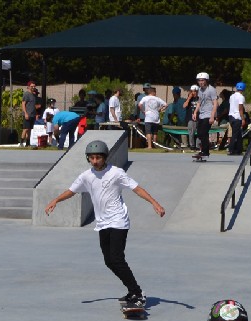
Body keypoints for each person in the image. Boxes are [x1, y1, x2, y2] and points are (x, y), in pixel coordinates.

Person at [44, 140, 166, 308]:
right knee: (109, 261)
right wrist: (56, 200)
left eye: (98, 158)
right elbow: (71, 191)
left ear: (105, 157)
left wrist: (154, 203)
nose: (95, 161)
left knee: (117, 258)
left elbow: (136, 188)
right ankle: (132, 291)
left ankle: (138, 293)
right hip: (102, 223)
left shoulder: (116, 173)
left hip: (118, 221)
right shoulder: (86, 176)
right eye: (92, 158)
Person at [192, 73, 217, 159]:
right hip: (202, 114)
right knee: (199, 133)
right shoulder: (199, 90)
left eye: (202, 80)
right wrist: (195, 112)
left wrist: (212, 116)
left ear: (206, 80)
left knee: (203, 133)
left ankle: (205, 151)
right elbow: (199, 101)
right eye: (199, 80)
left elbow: (215, 103)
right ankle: (205, 148)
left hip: (209, 114)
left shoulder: (211, 90)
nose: (201, 82)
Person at [138, 84, 166, 149]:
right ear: (153, 92)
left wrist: (143, 111)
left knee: (148, 132)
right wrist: (160, 109)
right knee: (155, 132)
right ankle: (155, 145)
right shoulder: (157, 98)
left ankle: (149, 146)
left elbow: (139, 105)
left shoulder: (145, 98)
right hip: (156, 117)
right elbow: (166, 105)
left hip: (148, 117)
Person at [226, 82, 247, 156]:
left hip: (231, 116)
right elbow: (240, 108)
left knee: (238, 134)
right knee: (235, 134)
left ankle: (239, 150)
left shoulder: (232, 96)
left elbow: (231, 106)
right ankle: (231, 150)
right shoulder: (241, 97)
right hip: (237, 117)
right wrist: (243, 118)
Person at [21, 80, 38, 146]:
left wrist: (36, 114)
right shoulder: (26, 94)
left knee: (30, 129)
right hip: (27, 114)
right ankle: (21, 142)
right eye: (31, 86)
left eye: (34, 86)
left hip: (32, 114)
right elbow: (23, 104)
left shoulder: (33, 95)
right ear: (28, 87)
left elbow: (34, 106)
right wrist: (25, 113)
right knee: (25, 129)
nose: (33, 87)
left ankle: (28, 143)